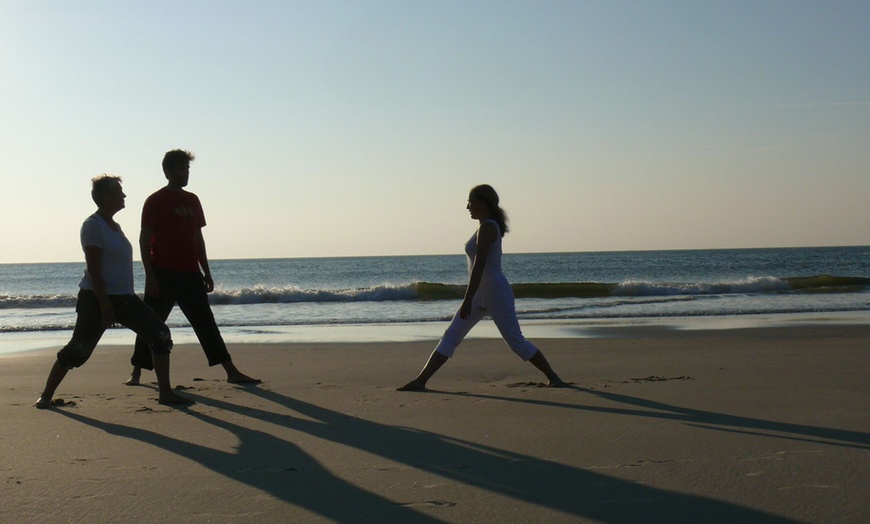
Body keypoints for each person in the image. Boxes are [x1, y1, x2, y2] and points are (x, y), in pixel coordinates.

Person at [36, 175, 191, 408]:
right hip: (97, 300)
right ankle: (46, 396)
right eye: (119, 192)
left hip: (125, 299)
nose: (124, 196)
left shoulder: (115, 227)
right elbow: (95, 270)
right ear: (107, 197)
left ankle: (165, 393)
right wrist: (105, 307)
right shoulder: (93, 225)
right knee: (78, 351)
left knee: (160, 335)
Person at [398, 184, 565, 391]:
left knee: (516, 342)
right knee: (451, 336)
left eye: (471, 201)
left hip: (495, 293)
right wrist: (472, 298)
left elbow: (479, 266)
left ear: (483, 203)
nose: (468, 206)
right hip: (480, 294)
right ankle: (421, 381)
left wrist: (467, 299)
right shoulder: (484, 226)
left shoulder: (488, 228)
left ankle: (554, 377)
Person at [124, 149, 259, 385]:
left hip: (190, 274)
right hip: (163, 273)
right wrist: (150, 277)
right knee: (150, 324)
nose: (185, 173)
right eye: (181, 168)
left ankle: (231, 372)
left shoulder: (193, 200)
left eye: (187, 168)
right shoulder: (155, 200)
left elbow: (198, 239)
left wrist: (206, 271)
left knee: (206, 323)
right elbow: (144, 240)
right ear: (168, 171)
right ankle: (136, 371)